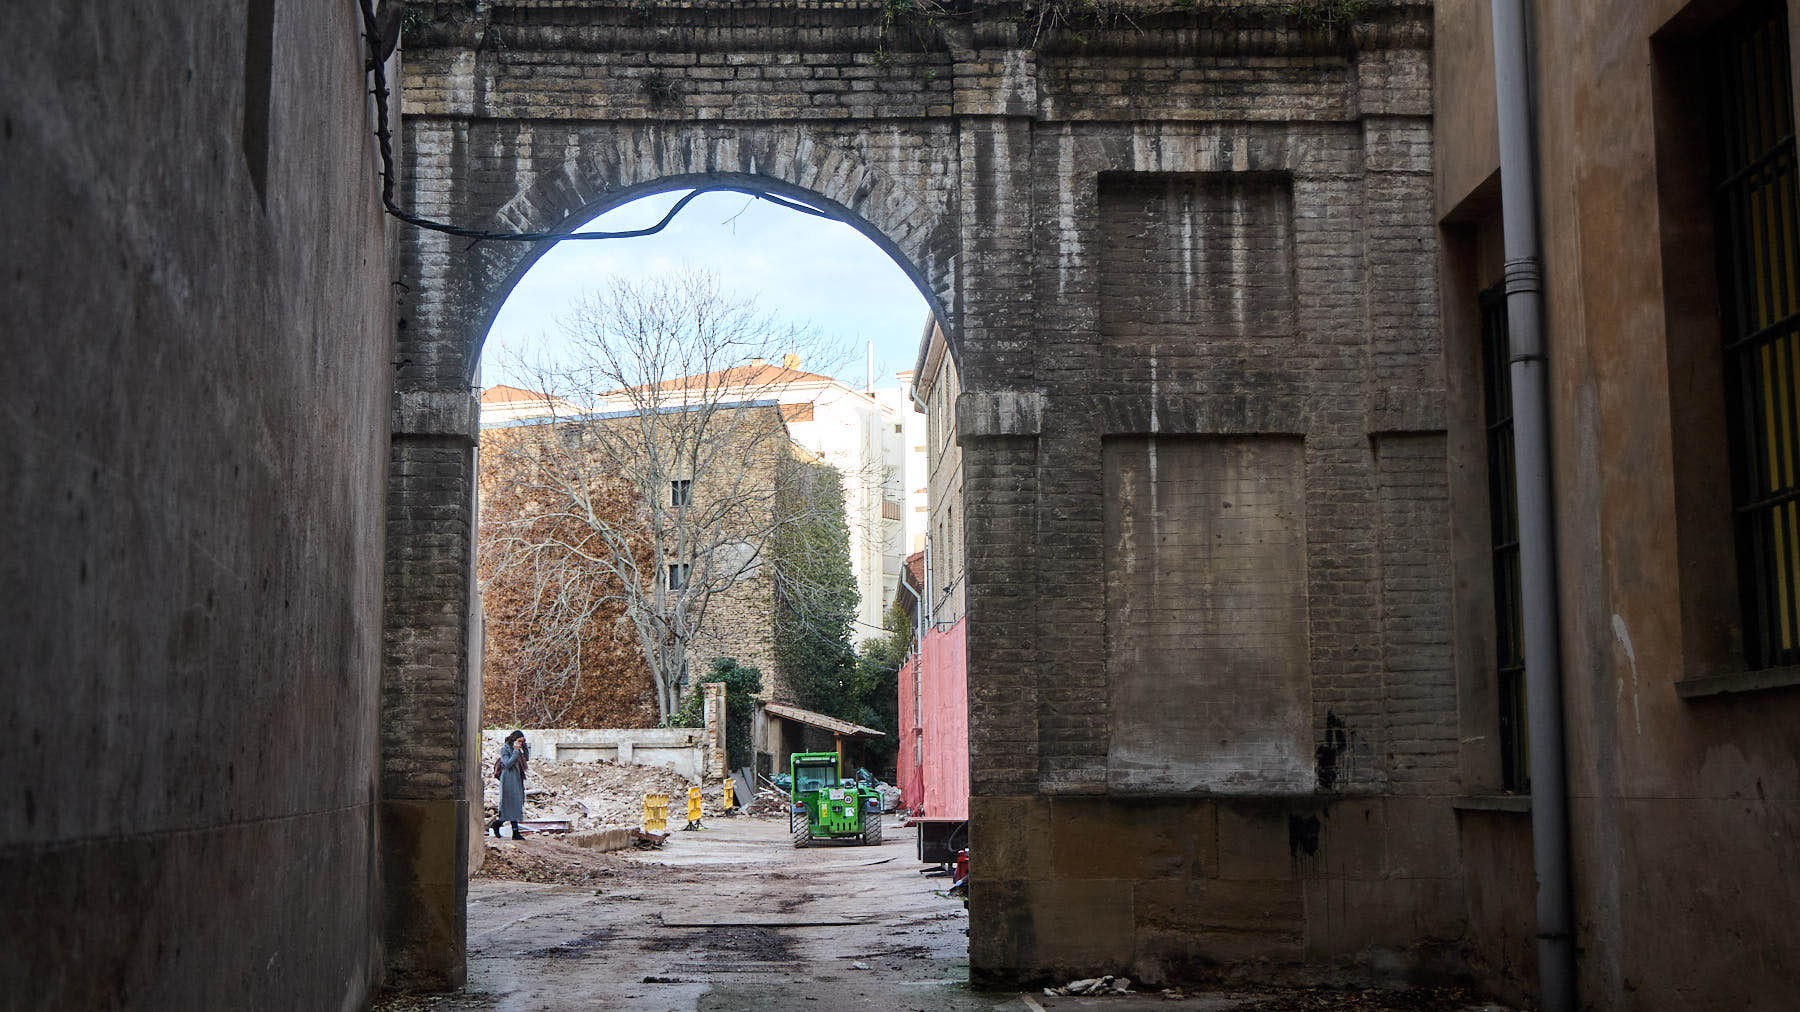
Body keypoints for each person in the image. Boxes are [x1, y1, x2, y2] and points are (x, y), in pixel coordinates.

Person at [489, 730, 529, 841]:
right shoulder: (505, 749)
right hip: (508, 780)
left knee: (515, 805)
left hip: (516, 779)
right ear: (514, 740)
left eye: (522, 741)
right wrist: (516, 752)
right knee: (510, 805)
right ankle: (498, 824)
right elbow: (507, 764)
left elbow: (526, 758)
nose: (521, 743)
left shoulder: (519, 750)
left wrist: (524, 748)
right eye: (519, 741)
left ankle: (514, 832)